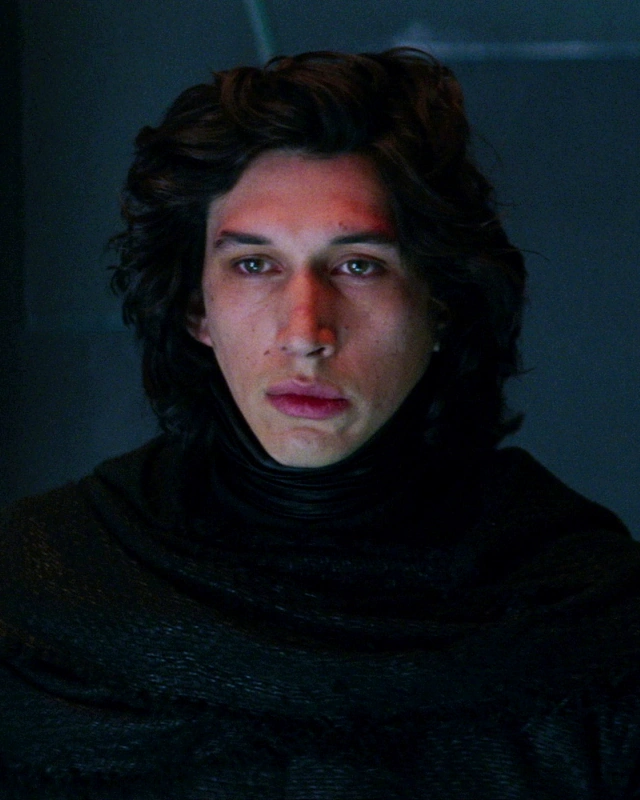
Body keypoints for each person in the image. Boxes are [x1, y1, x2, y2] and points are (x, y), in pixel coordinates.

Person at [1, 48, 639, 799]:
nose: (306, 332)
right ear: (196, 308)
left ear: (440, 304)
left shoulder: (587, 614)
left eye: (358, 265)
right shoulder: (39, 593)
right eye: (254, 265)